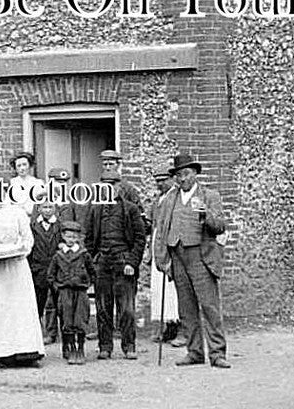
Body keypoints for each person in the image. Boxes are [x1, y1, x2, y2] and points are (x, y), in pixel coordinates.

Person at [153, 152, 230, 368]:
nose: (182, 179)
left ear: (195, 173)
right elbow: (161, 230)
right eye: (179, 175)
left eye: (186, 173)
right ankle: (194, 351)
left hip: (200, 257)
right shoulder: (170, 198)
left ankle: (217, 354)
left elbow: (220, 226)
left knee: (209, 307)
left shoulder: (209, 195)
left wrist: (206, 215)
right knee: (185, 308)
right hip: (177, 257)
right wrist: (163, 259)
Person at [0, 174, 45, 366]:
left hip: (16, 267)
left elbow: (28, 240)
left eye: (2, 191)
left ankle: (26, 353)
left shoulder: (18, 213)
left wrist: (20, 251)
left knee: (19, 308)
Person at [88, 169, 146, 360]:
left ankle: (129, 346)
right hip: (102, 263)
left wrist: (132, 262)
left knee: (127, 308)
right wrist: (93, 262)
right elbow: (89, 240)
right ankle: (105, 346)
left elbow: (139, 238)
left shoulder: (131, 209)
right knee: (103, 308)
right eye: (105, 185)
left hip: (124, 262)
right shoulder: (95, 209)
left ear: (119, 186)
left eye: (112, 184)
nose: (109, 188)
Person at [145, 168, 184, 346]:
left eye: (163, 180)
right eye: (157, 181)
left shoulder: (176, 197)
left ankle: (182, 329)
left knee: (175, 290)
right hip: (157, 246)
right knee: (160, 289)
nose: (160, 184)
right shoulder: (158, 200)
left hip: (171, 248)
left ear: (172, 179)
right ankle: (169, 327)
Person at [47, 219, 94, 365]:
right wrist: (58, 287)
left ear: (79, 238)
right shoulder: (58, 256)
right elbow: (50, 275)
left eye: (74, 237)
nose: (71, 240)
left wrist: (87, 284)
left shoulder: (83, 254)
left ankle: (80, 348)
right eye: (68, 237)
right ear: (63, 236)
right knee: (67, 320)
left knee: (80, 319)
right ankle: (70, 347)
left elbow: (92, 271)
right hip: (65, 292)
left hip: (80, 292)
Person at [29, 200, 61, 345]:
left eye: (50, 207)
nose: (47, 210)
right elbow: (29, 250)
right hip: (39, 269)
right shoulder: (33, 227)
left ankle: (53, 332)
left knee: (55, 302)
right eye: (44, 207)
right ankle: (38, 333)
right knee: (38, 301)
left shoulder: (60, 227)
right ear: (39, 209)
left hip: (56, 269)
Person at [8, 151, 43, 217]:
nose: (22, 168)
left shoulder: (38, 183)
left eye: (24, 164)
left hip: (34, 217)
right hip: (17, 218)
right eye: (19, 166)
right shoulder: (12, 183)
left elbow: (41, 203)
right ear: (15, 168)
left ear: (29, 165)